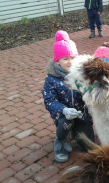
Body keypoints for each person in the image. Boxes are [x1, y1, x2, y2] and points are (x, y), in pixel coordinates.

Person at [42, 30, 95, 163]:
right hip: (64, 116)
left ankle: (76, 131)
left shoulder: (81, 74)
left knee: (89, 147)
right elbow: (49, 100)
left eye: (73, 58)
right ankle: (59, 142)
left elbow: (88, 91)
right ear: (57, 61)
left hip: (81, 114)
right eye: (65, 59)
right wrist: (63, 110)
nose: (70, 62)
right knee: (67, 122)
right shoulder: (51, 79)